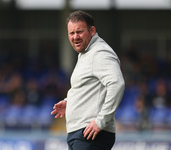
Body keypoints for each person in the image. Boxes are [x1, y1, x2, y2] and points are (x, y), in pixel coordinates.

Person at [51, 10, 125, 150]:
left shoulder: (99, 52)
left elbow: (117, 84)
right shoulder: (86, 53)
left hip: (91, 135)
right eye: (71, 33)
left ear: (92, 31)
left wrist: (101, 121)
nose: (75, 37)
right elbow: (91, 87)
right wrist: (70, 102)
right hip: (81, 134)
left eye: (79, 32)